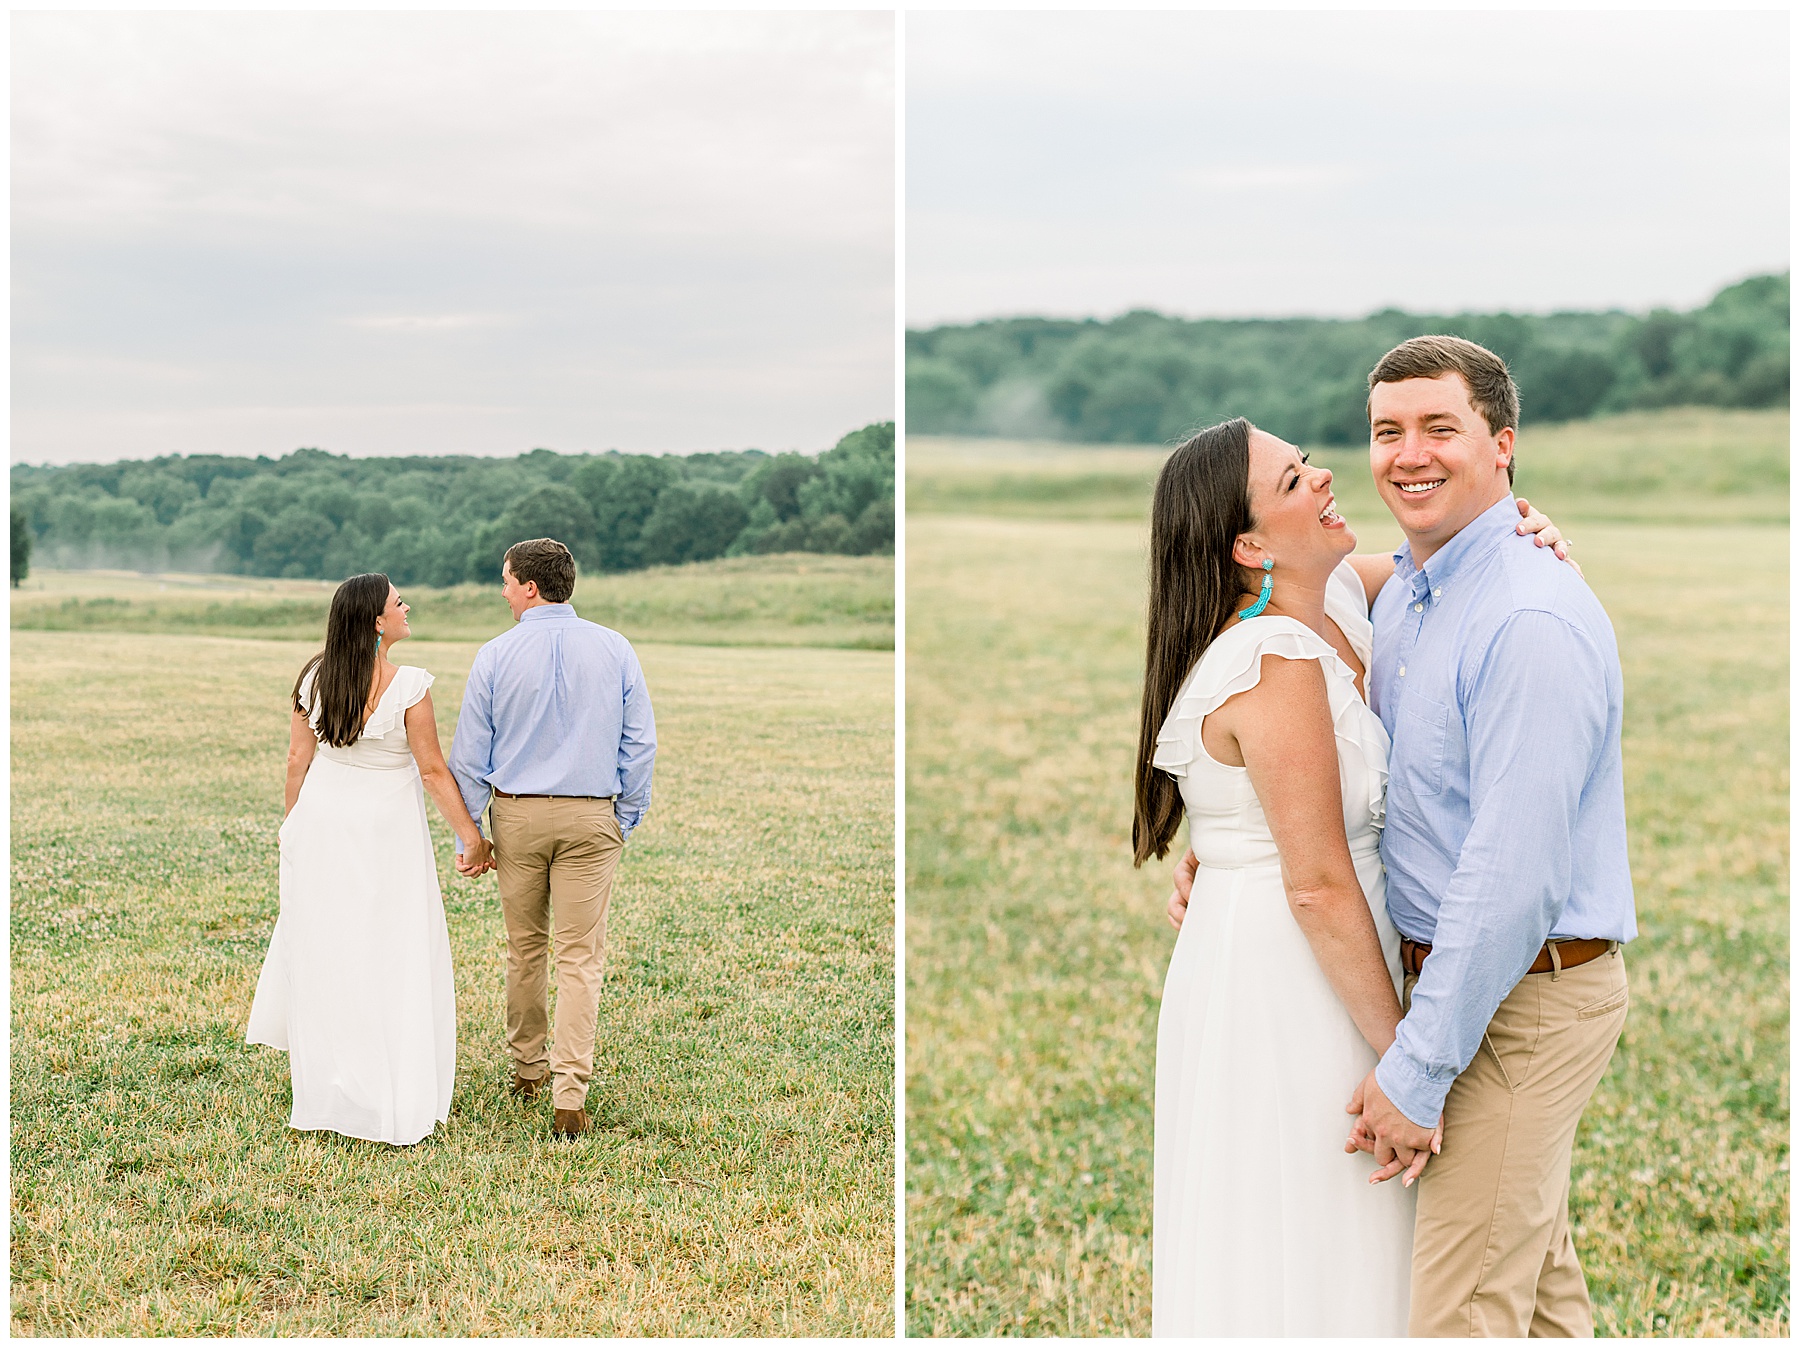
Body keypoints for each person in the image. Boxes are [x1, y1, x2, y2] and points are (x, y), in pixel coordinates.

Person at [1136, 411, 1579, 1335]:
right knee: (1311, 1215)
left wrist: (1523, 526)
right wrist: (1410, 1066)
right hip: (1297, 968)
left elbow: (1446, 560)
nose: (1327, 477)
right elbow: (1317, 885)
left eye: (1305, 462)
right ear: (1250, 543)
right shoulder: (1274, 657)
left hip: (1326, 940)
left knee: (1359, 1224)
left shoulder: (1332, 598)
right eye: (1296, 482)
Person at [1344, 337, 1635, 1337]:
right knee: (1538, 1296)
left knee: (1461, 1316)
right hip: (1468, 985)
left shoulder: (1525, 617)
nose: (1408, 454)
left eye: (1440, 429)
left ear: (1502, 443)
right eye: (1388, 431)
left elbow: (1513, 878)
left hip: (1525, 997)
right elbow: (1271, 564)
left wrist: (1415, 1072)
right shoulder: (1417, 590)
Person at [247, 572, 493, 1146]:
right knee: (390, 948)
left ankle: (332, 1090)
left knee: (329, 951)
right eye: (397, 602)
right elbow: (433, 772)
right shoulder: (408, 685)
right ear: (377, 622)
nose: (408, 607)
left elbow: (295, 763)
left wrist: (293, 829)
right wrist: (472, 840)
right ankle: (391, 1092)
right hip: (385, 831)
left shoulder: (314, 679)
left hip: (321, 826)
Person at [448, 537, 656, 1140]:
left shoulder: (494, 655)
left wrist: (474, 834)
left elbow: (469, 758)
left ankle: (529, 1070)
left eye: (507, 581)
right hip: (594, 817)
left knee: (525, 949)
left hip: (516, 817)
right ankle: (571, 1095)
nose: (503, 590)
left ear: (530, 587)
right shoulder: (615, 647)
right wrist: (626, 816)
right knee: (581, 959)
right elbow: (640, 743)